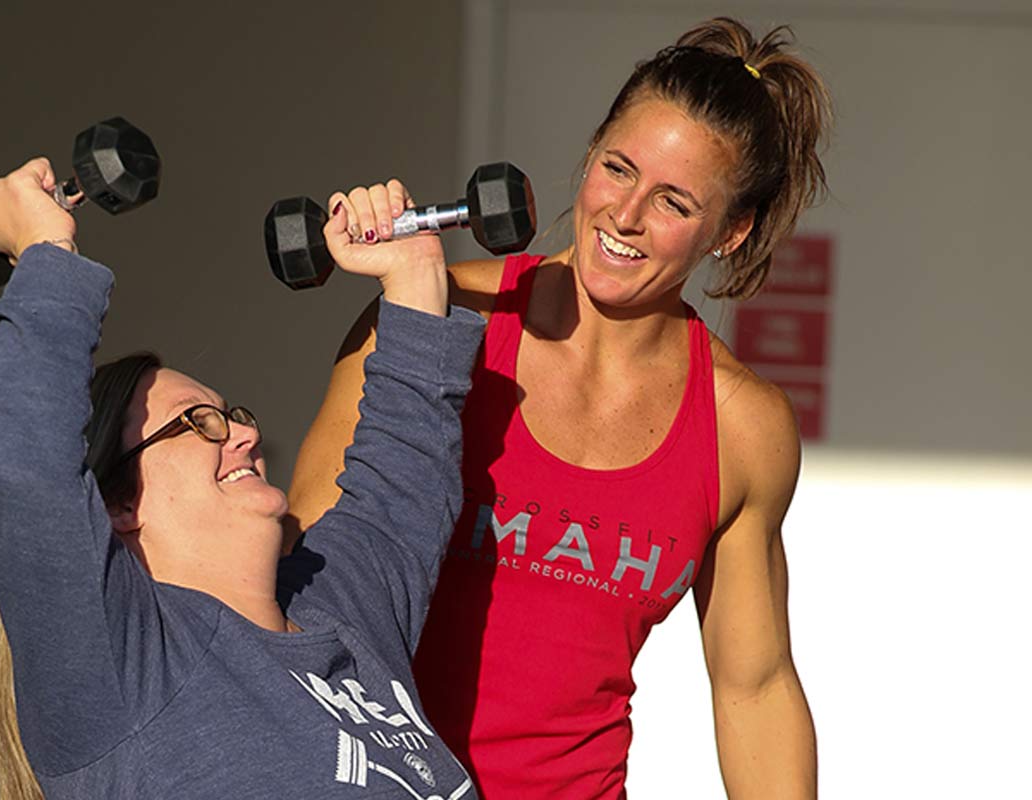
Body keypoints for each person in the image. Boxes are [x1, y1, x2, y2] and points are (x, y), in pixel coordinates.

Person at [286, 17, 831, 799]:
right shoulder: (432, 321)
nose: (626, 214)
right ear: (590, 151)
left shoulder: (745, 427)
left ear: (731, 233)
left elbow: (754, 686)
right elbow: (299, 594)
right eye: (618, 168)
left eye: (674, 201)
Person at [0, 157, 486, 799]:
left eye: (232, 414)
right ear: (117, 505)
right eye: (199, 422)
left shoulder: (337, 612)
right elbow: (25, 470)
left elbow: (400, 480)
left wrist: (413, 273)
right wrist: (44, 248)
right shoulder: (125, 666)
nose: (244, 433)